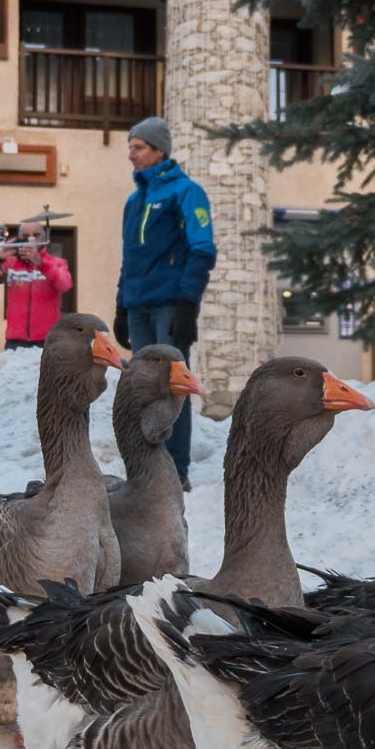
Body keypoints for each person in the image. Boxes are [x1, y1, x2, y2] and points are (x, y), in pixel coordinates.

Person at [115, 117, 215, 492]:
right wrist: (121, 305)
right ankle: (146, 466)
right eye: (130, 147)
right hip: (138, 306)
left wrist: (188, 302)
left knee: (172, 385)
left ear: (159, 150)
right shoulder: (134, 201)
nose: (131, 154)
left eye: (138, 147)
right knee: (143, 388)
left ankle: (176, 469)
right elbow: (129, 259)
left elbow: (202, 249)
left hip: (171, 305)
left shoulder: (185, 192)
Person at [0, 221, 72, 352]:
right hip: (15, 339)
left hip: (47, 338)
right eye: (25, 236)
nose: (31, 239)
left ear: (44, 237)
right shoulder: (11, 262)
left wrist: (41, 264)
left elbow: (65, 285)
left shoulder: (56, 262)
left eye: (36, 235)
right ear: (19, 239)